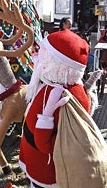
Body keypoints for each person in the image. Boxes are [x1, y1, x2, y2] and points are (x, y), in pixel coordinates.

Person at [19, 29, 91, 188]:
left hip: (45, 168)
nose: (41, 58)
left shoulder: (52, 94)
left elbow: (44, 145)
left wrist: (45, 117)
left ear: (55, 63)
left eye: (45, 54)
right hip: (62, 164)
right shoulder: (76, 89)